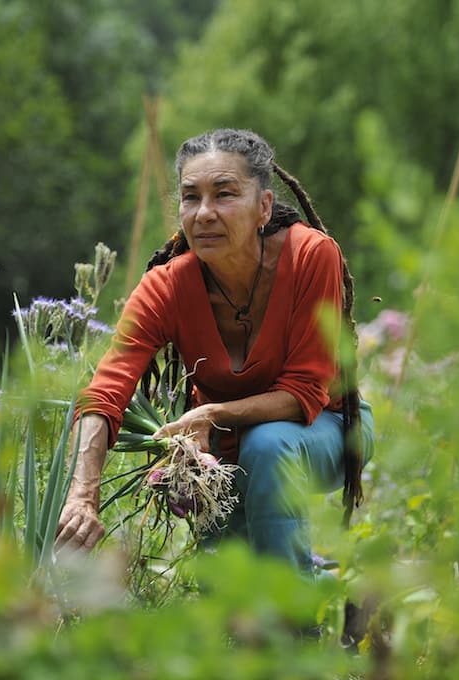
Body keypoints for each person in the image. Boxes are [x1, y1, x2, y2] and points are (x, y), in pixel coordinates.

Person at [55, 128, 374, 573]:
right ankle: (330, 589)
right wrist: (81, 497)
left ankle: (298, 631)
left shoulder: (311, 256)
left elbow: (304, 392)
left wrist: (210, 414)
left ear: (264, 206)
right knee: (230, 596)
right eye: (191, 197)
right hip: (221, 451)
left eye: (224, 195)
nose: (204, 213)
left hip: (328, 428)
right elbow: (105, 391)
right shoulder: (167, 285)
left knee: (267, 444)